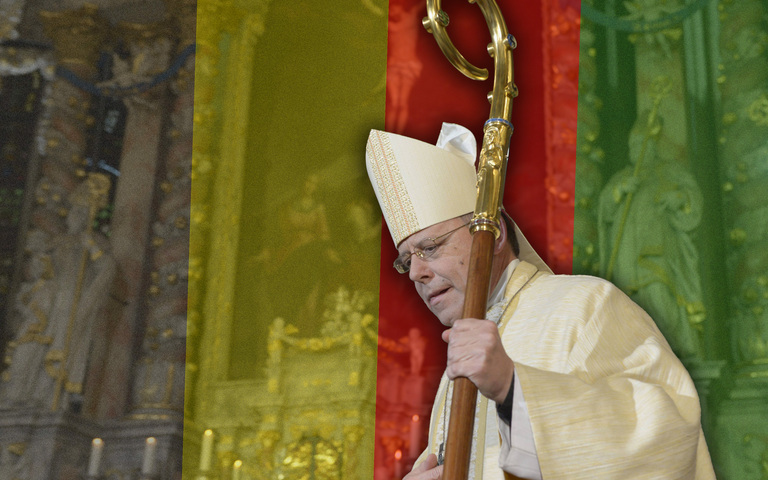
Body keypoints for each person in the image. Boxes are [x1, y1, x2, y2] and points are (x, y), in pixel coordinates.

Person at [365, 123, 715, 479]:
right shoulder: (455, 364)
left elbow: (663, 439)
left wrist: (511, 387)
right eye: (407, 261)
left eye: (430, 248)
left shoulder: (584, 304)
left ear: (494, 233)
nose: (416, 273)